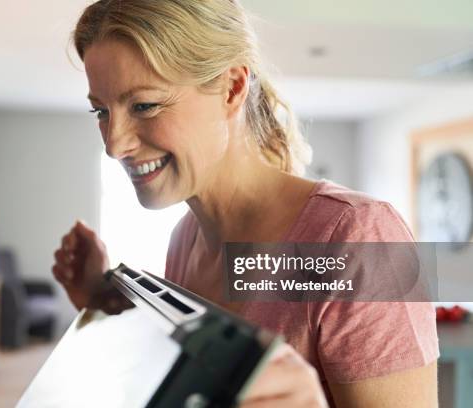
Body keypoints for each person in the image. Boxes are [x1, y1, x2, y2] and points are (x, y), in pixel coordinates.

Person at [52, 1, 439, 406]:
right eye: (101, 111)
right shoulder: (186, 238)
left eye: (144, 105)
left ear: (232, 88)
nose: (115, 145)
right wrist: (101, 302)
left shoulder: (358, 240)